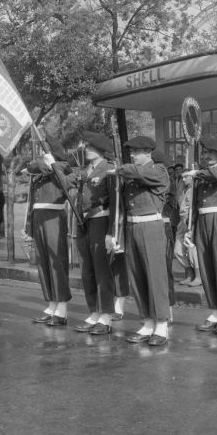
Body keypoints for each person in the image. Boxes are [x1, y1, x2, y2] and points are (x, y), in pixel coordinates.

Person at [107, 135, 170, 346]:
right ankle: (147, 322)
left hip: (150, 226)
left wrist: (118, 169)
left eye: (136, 152)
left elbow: (138, 173)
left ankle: (161, 325)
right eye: (131, 152)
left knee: (155, 276)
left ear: (148, 153)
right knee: (137, 277)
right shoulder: (132, 174)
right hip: (132, 226)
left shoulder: (158, 171)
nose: (132, 155)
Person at [183, 135, 217, 335]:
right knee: (206, 267)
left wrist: (196, 172)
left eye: (209, 152)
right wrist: (191, 228)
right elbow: (196, 204)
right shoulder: (202, 174)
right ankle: (215, 311)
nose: (206, 155)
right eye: (204, 152)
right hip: (203, 221)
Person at [72, 131, 117, 335]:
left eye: (90, 147)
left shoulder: (109, 169)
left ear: (100, 149)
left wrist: (111, 231)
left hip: (101, 219)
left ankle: (106, 316)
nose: (86, 150)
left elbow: (116, 203)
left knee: (102, 271)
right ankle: (94, 312)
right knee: (87, 270)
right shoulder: (85, 170)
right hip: (85, 221)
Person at [28, 136, 75, 327]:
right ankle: (51, 305)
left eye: (44, 151)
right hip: (39, 218)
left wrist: (52, 163)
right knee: (44, 263)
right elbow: (29, 167)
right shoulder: (41, 169)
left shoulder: (62, 167)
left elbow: (63, 179)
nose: (40, 155)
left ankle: (61, 308)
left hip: (54, 218)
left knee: (56, 262)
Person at [153, 149, 176, 323]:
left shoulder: (166, 181)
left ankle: (167, 309)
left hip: (162, 225)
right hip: (153, 225)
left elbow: (170, 204)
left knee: (164, 271)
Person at [174, 173, 202, 287]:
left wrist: (192, 222)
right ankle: (189, 273)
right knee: (178, 250)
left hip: (191, 220)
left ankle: (198, 276)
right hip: (182, 221)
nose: (184, 179)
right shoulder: (185, 190)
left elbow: (194, 208)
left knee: (191, 249)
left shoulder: (195, 190)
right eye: (183, 177)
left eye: (186, 176)